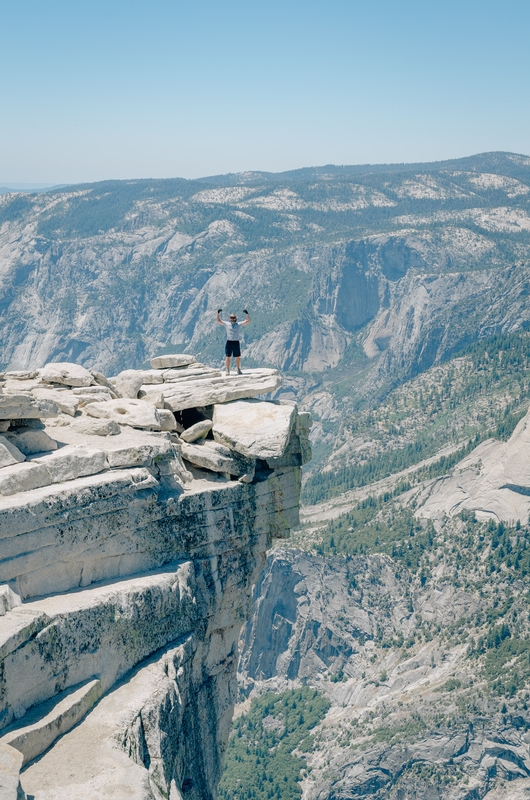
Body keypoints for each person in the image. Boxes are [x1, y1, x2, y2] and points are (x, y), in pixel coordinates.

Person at [216, 308, 251, 374]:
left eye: (233, 318)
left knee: (237, 356)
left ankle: (238, 369)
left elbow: (248, 321)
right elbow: (218, 320)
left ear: (235, 318)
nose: (232, 319)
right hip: (229, 341)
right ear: (229, 318)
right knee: (228, 356)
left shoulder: (238, 324)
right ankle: (227, 370)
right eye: (231, 318)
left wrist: (247, 314)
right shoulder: (227, 324)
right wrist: (218, 313)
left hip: (236, 342)